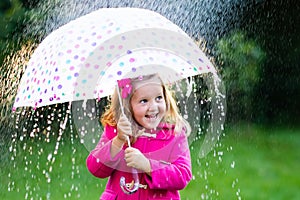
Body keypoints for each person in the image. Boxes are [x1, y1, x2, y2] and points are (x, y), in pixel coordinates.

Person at [86, 73, 192, 199]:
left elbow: (182, 175)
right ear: (128, 105)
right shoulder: (118, 130)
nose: (153, 107)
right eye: (144, 101)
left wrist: (148, 165)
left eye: (158, 98)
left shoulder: (174, 134)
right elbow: (95, 168)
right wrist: (118, 141)